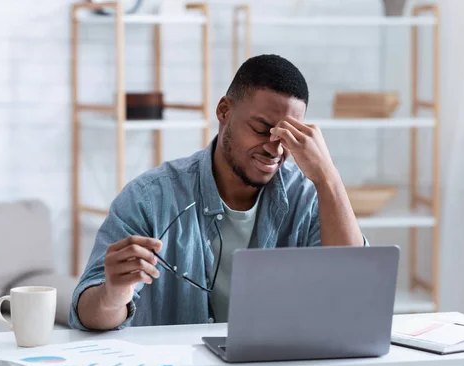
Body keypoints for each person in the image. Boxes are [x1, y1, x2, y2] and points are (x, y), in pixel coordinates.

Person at [69, 54, 368, 331]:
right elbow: (87, 317)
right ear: (224, 111)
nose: (274, 149)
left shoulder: (309, 195)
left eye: (287, 136)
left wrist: (328, 176)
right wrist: (113, 294)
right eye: (262, 129)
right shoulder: (150, 198)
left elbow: (355, 295)